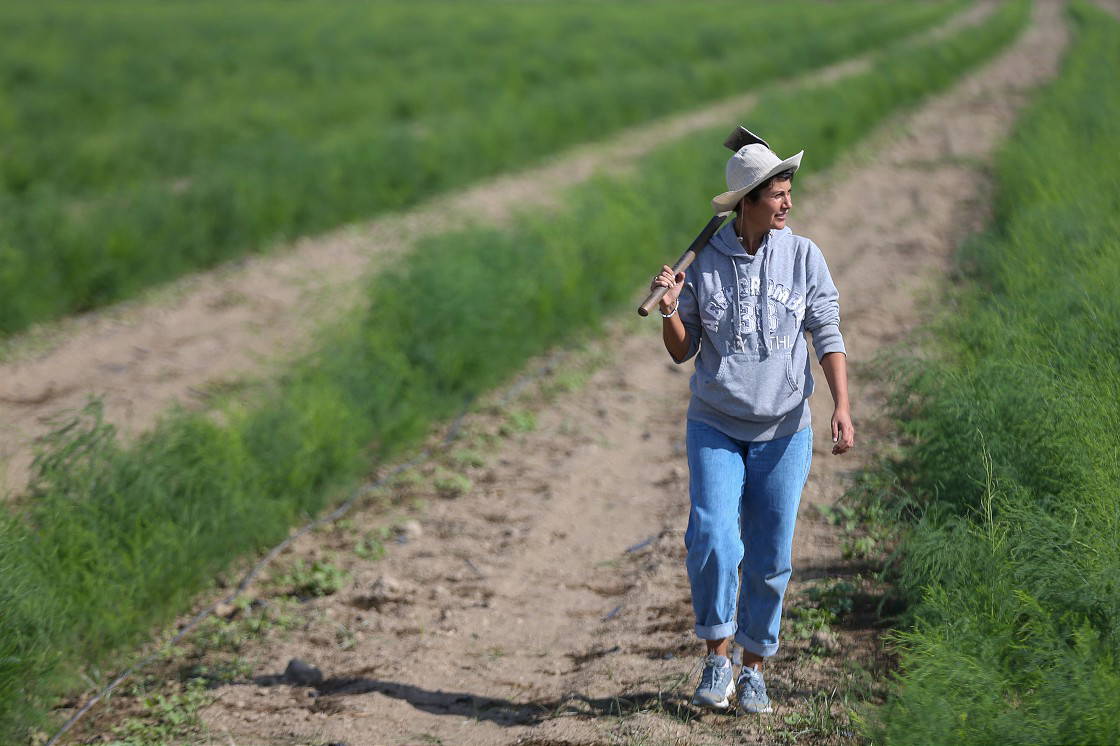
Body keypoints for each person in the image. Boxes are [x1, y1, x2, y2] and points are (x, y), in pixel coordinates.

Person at [650, 140, 854, 714]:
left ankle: (754, 666)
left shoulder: (805, 257)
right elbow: (682, 353)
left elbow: (828, 333)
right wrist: (670, 308)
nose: (787, 204)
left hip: (785, 431)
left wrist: (841, 404)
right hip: (715, 423)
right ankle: (717, 660)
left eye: (789, 193)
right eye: (777, 196)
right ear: (747, 203)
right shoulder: (707, 261)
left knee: (769, 557)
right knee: (714, 538)